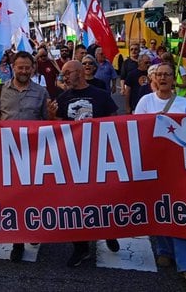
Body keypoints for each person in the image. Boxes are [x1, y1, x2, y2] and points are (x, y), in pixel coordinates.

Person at [48, 60, 120, 267]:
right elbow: (56, 129)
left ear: (79, 73)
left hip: (98, 157)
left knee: (102, 199)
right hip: (73, 159)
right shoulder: (63, 98)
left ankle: (110, 231)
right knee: (75, 203)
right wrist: (52, 117)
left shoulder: (101, 96)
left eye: (66, 73)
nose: (63, 78)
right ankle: (80, 248)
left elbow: (115, 123)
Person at [133, 63, 186, 282]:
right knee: (160, 207)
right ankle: (164, 250)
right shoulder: (145, 101)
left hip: (178, 165)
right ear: (153, 78)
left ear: (173, 79)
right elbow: (136, 129)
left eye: (167, 75)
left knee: (180, 210)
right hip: (153, 164)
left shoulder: (183, 103)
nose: (162, 78)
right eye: (159, 75)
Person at [0, 51, 50, 263]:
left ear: (32, 69)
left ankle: (33, 230)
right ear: (13, 67)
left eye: (27, 68)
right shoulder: (1, 88)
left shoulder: (41, 92)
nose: (23, 71)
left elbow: (48, 120)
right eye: (20, 67)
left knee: (34, 196)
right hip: (9, 153)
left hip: (33, 154)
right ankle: (18, 241)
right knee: (14, 197)